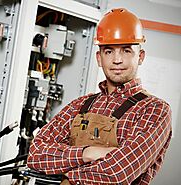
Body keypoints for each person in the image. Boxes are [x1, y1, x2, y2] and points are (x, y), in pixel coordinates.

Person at [27, 8, 172, 185]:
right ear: (99, 57)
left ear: (140, 57)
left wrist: (68, 176)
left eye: (126, 50)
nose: (117, 60)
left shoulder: (154, 110)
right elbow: (36, 154)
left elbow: (119, 170)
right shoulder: (80, 104)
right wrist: (87, 153)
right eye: (109, 51)